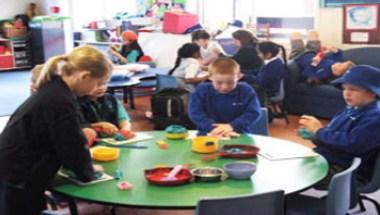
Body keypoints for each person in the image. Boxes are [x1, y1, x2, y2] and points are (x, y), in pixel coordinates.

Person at [0, 45, 113, 215]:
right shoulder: (60, 100)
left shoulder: (56, 89)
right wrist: (87, 172)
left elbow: (66, 135)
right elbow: (71, 145)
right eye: (98, 82)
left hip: (14, 166)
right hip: (19, 173)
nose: (96, 88)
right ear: (85, 76)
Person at [299, 65, 380, 187]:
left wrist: (319, 131)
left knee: (293, 173)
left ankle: (281, 203)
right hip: (329, 158)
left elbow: (352, 144)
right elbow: (334, 133)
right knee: (287, 164)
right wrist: (315, 136)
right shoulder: (350, 109)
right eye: (344, 88)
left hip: (347, 170)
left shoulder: (374, 117)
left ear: (373, 92)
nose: (346, 93)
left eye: (353, 89)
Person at [189, 58, 261, 137]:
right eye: (219, 83)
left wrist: (231, 126)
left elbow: (253, 112)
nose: (224, 87)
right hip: (208, 133)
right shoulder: (202, 90)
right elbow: (195, 113)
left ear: (239, 77)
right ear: (210, 77)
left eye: (230, 82)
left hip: (239, 133)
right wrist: (213, 128)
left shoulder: (246, 90)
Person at [245, 41, 287, 106]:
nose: (258, 55)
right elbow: (258, 71)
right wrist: (243, 72)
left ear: (268, 54)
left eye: (259, 53)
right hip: (266, 87)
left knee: (244, 88)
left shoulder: (273, 65)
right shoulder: (272, 62)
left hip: (268, 91)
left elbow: (260, 81)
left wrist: (245, 76)